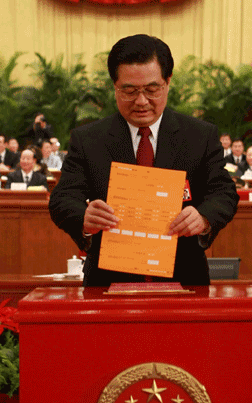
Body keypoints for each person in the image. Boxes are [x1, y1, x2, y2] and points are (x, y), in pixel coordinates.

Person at [49, 34, 239, 286]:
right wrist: (83, 216)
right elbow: (62, 199)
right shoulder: (89, 140)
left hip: (185, 279)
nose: (141, 101)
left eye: (151, 90)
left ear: (167, 82)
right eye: (129, 91)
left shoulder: (199, 136)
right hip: (108, 283)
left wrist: (203, 217)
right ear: (115, 86)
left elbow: (224, 192)